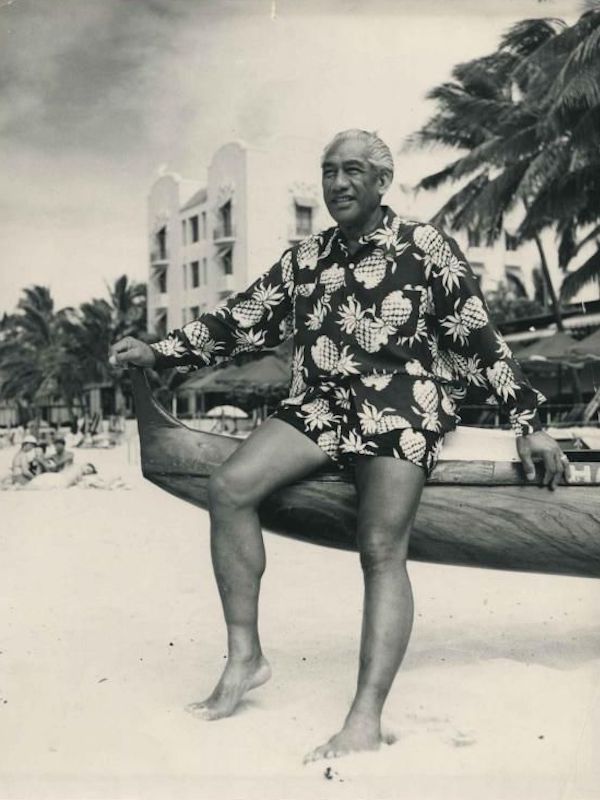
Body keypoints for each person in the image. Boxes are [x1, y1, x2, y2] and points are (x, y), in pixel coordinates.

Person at [110, 129, 569, 762]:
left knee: (380, 546)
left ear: (383, 183)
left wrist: (529, 420)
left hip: (402, 404)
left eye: (353, 170)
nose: (338, 183)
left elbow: (477, 335)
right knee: (229, 488)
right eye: (328, 171)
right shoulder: (306, 260)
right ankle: (246, 658)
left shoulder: (424, 246)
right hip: (318, 405)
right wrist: (157, 350)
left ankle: (364, 718)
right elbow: (238, 321)